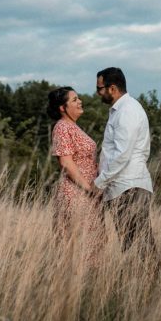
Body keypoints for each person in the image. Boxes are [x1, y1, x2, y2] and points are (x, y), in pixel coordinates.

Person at [92, 67, 159, 263]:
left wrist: (100, 183)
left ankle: (151, 279)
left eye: (99, 88)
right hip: (124, 185)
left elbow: (122, 154)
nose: (98, 93)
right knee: (132, 244)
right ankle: (139, 279)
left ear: (112, 88)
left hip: (128, 186)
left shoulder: (127, 111)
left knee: (140, 243)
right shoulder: (120, 110)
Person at [48, 86, 106, 261]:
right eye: (74, 100)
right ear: (62, 108)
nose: (80, 101)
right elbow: (66, 162)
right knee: (80, 245)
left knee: (92, 244)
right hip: (76, 193)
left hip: (87, 194)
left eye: (78, 98)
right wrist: (89, 188)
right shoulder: (62, 127)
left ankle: (88, 277)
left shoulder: (73, 127)